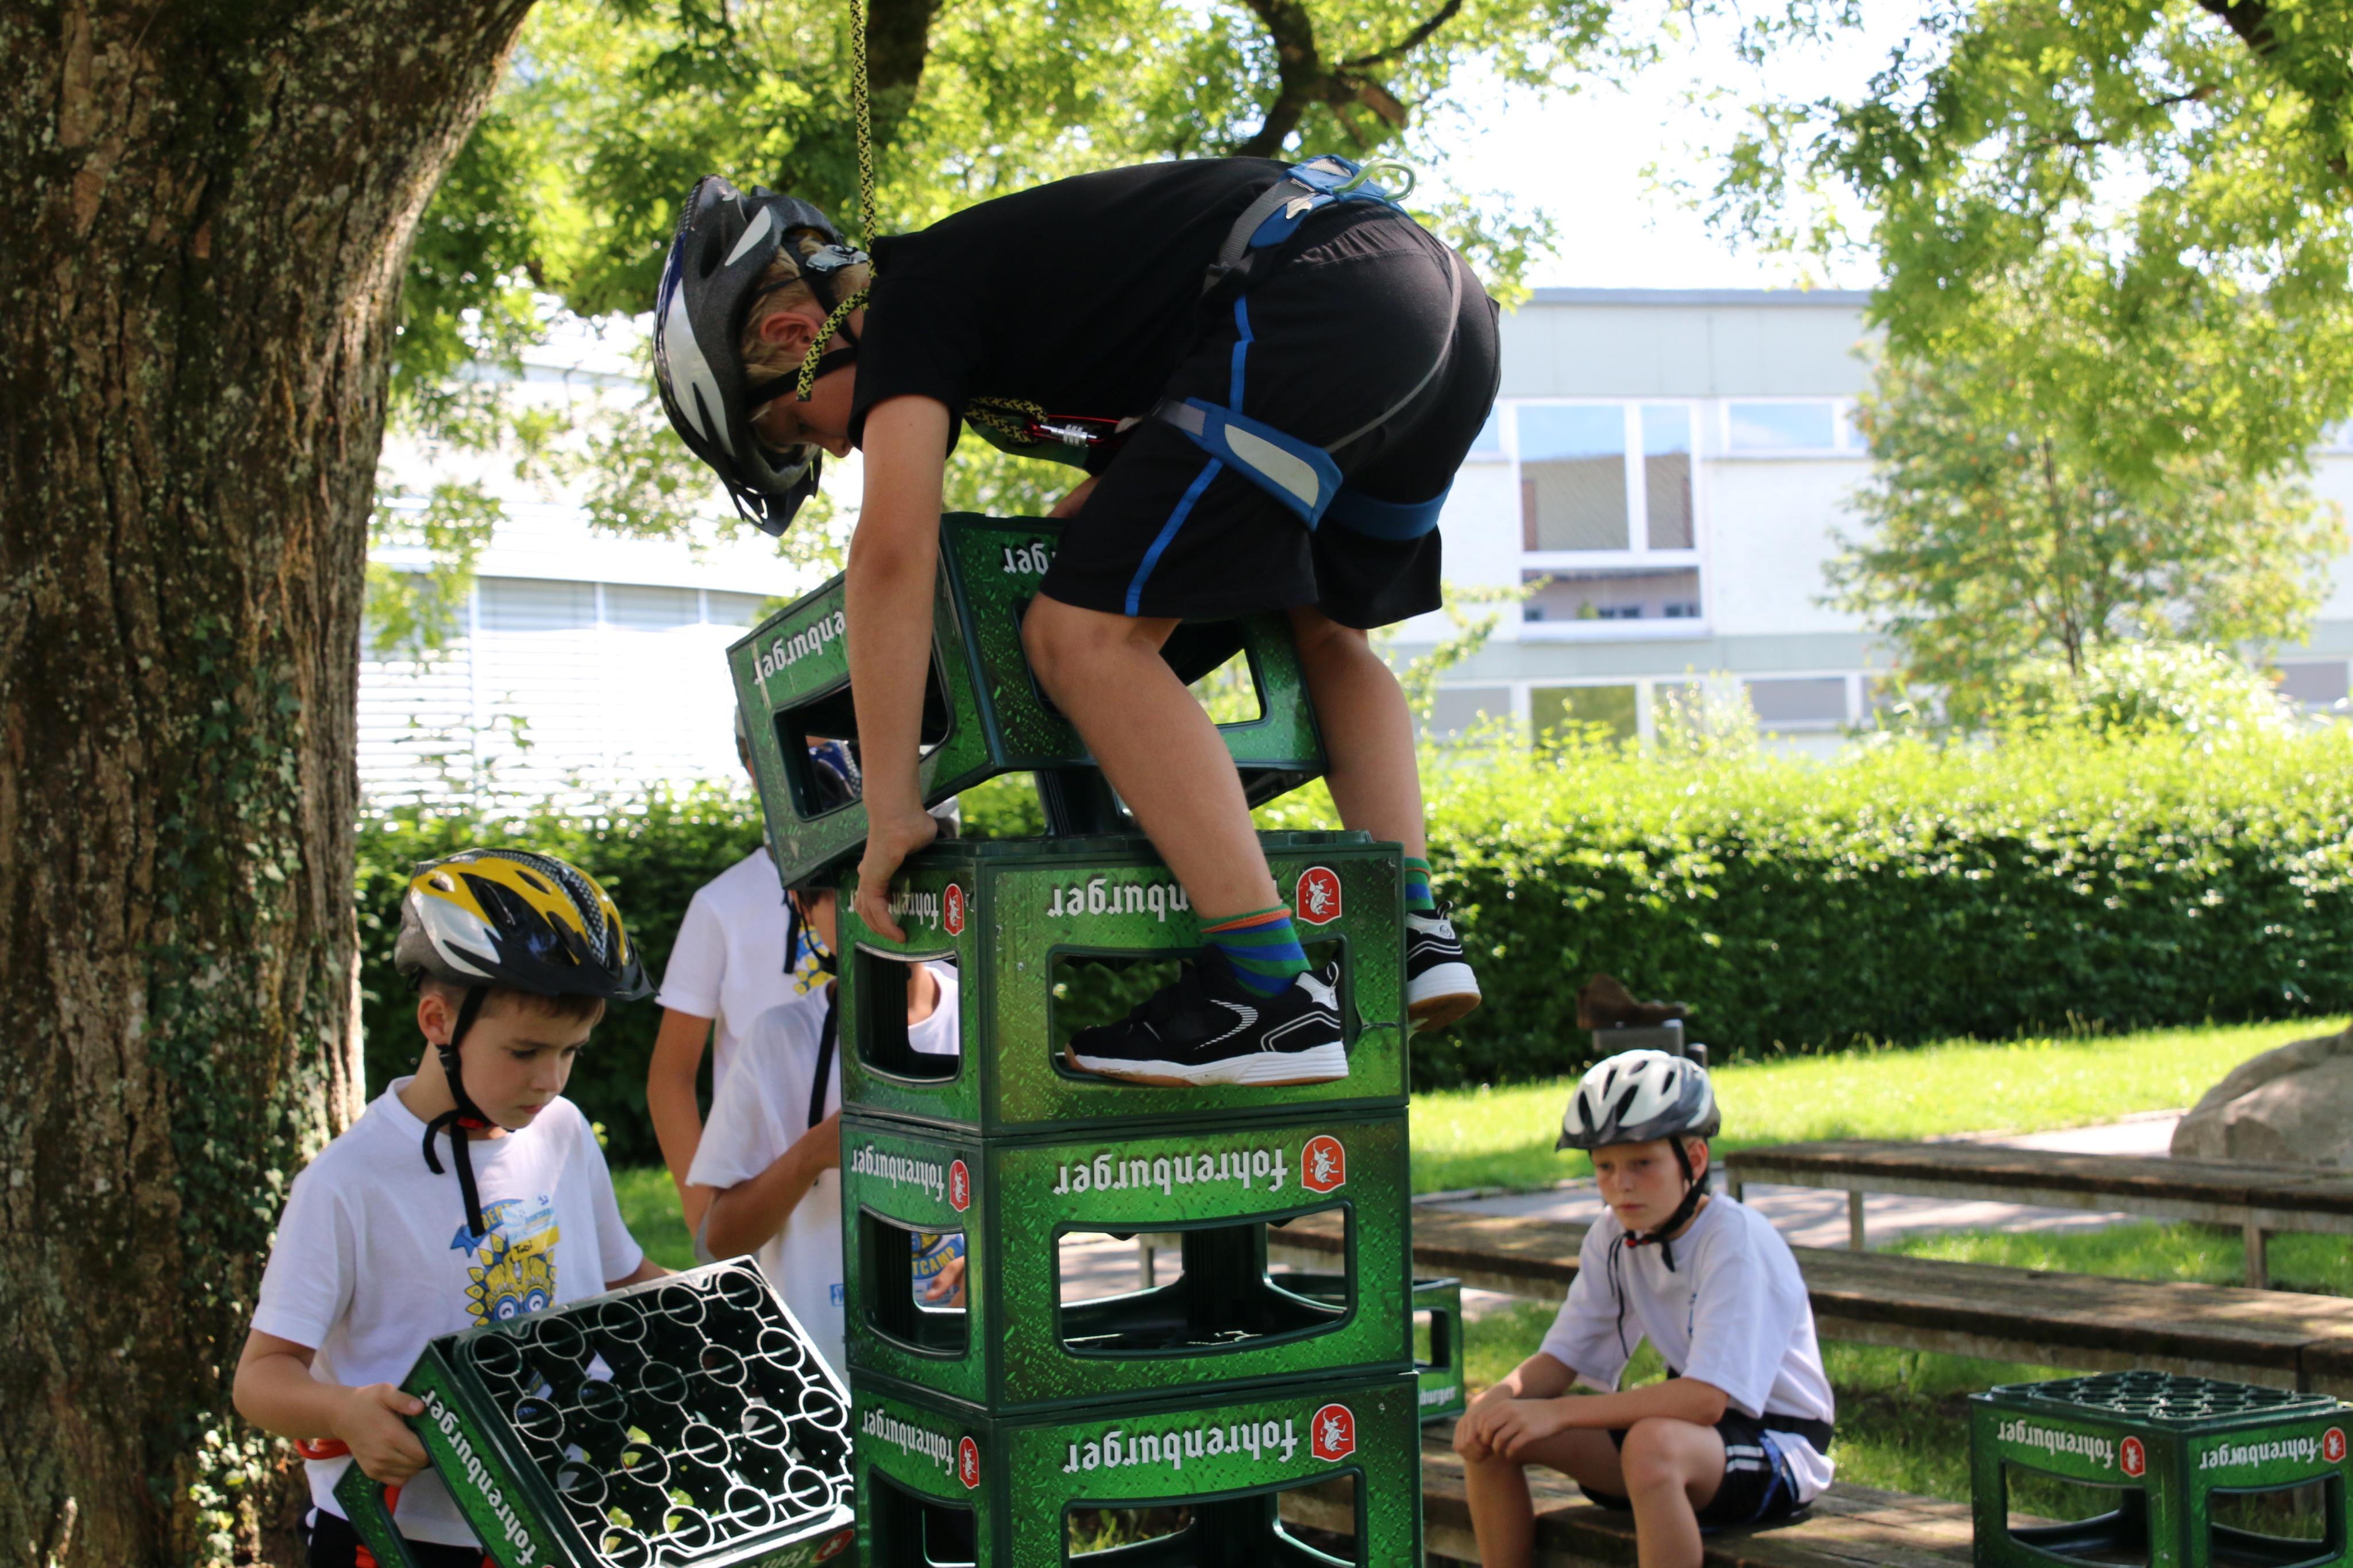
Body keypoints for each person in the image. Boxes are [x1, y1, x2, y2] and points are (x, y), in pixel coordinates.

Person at [651, 156, 1495, 1090]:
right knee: (1324, 626)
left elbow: (891, 552)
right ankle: (1412, 926)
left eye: (800, 430)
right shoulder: (1012, 310)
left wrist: (890, 807)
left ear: (793, 333)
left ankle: (1266, 993)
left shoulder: (909, 301)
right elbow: (1142, 486)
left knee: (1079, 640)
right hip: (1437, 313)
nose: (840, 446)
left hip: (1319, 298)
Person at [233, 849, 666, 1568]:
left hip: (554, 1515)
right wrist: (344, 1412)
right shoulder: (348, 1182)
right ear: (438, 1021)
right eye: (525, 1052)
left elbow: (625, 1278)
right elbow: (260, 1377)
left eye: (572, 1053)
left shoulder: (561, 1132)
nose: (550, 1081)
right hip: (400, 1536)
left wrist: (735, 1315)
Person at [1453, 1051, 1835, 1568]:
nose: (1621, 1185)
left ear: (1694, 1160)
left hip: (1778, 1446)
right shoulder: (1614, 1235)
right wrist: (1497, 1401)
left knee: (1651, 1445)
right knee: (1491, 1434)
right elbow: (1564, 1356)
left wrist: (1555, 1413)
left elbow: (1705, 1401)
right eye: (1604, 1167)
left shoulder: (1735, 1241)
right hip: (1687, 1441)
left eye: (1642, 1164)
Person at [688, 859, 961, 1378]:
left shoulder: (983, 1021)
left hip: (956, 1369)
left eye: (895, 880)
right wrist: (812, 1154)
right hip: (822, 1379)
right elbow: (719, 1241)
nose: (873, 902)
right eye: (845, 889)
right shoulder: (777, 1039)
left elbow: (1038, 1193)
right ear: (803, 906)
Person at [647, 720, 839, 1235]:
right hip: (763, 1206)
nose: (840, 762)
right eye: (817, 748)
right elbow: (671, 1075)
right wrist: (703, 1217)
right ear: (756, 766)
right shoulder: (721, 904)